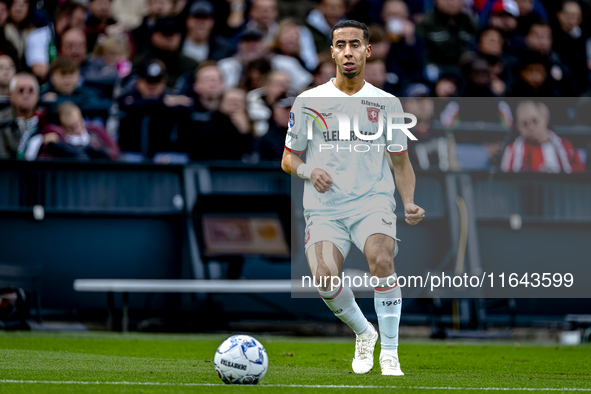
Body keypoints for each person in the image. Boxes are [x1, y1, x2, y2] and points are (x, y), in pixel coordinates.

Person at [281, 20, 425, 376]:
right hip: (324, 209)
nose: (348, 51)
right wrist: (307, 171)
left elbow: (401, 161)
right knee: (326, 278)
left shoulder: (387, 104)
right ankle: (365, 333)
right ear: (331, 51)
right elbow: (288, 158)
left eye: (355, 44)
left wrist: (408, 200)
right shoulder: (308, 101)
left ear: (367, 50)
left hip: (372, 202)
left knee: (380, 259)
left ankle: (390, 353)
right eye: (341, 44)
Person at [177, 61, 252, 160]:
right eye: (207, 80)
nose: (212, 84)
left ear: (223, 85)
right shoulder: (186, 110)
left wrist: (245, 131)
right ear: (196, 86)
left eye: (216, 80)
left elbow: (246, 151)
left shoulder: (232, 113)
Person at [117, 59, 191, 158]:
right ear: (138, 81)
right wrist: (163, 102)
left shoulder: (173, 96)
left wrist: (159, 102)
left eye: (157, 81)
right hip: (130, 154)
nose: (152, 86)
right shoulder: (128, 96)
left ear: (164, 82)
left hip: (164, 156)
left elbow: (188, 104)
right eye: (148, 81)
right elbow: (125, 103)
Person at [501, 100, 584, 173]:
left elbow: (579, 179)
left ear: (545, 119)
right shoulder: (513, 151)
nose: (531, 127)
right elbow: (507, 183)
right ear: (518, 127)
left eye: (535, 121)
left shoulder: (566, 147)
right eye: (524, 124)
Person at [25, 0, 87, 81]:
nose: (82, 27)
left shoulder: (78, 39)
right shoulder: (39, 36)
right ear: (64, 18)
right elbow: (40, 70)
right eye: (79, 21)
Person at [133, 16, 199, 88]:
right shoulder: (140, 63)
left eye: (175, 33)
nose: (171, 38)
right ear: (154, 37)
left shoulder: (190, 65)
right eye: (166, 33)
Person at [40, 56, 112, 120]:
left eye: (71, 73)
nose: (68, 78)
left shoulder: (85, 92)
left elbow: (104, 106)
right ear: (52, 77)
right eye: (63, 73)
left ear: (78, 75)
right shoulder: (45, 94)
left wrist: (59, 100)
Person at [39, 101, 119, 160]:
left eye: (79, 124)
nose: (78, 130)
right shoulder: (57, 138)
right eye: (71, 127)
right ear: (61, 127)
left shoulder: (96, 130)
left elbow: (114, 153)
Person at [0, 73, 46, 159]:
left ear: (37, 95)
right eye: (21, 90)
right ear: (11, 95)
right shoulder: (1, 122)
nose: (26, 95)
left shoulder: (47, 120)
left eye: (31, 90)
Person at [182, 1, 234, 65]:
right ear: (188, 20)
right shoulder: (176, 43)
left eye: (205, 18)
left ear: (212, 22)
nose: (201, 23)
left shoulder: (223, 49)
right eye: (197, 17)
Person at [4, 0, 36, 65]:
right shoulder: (3, 29)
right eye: (15, 4)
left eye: (23, 5)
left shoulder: (35, 32)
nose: (18, 9)